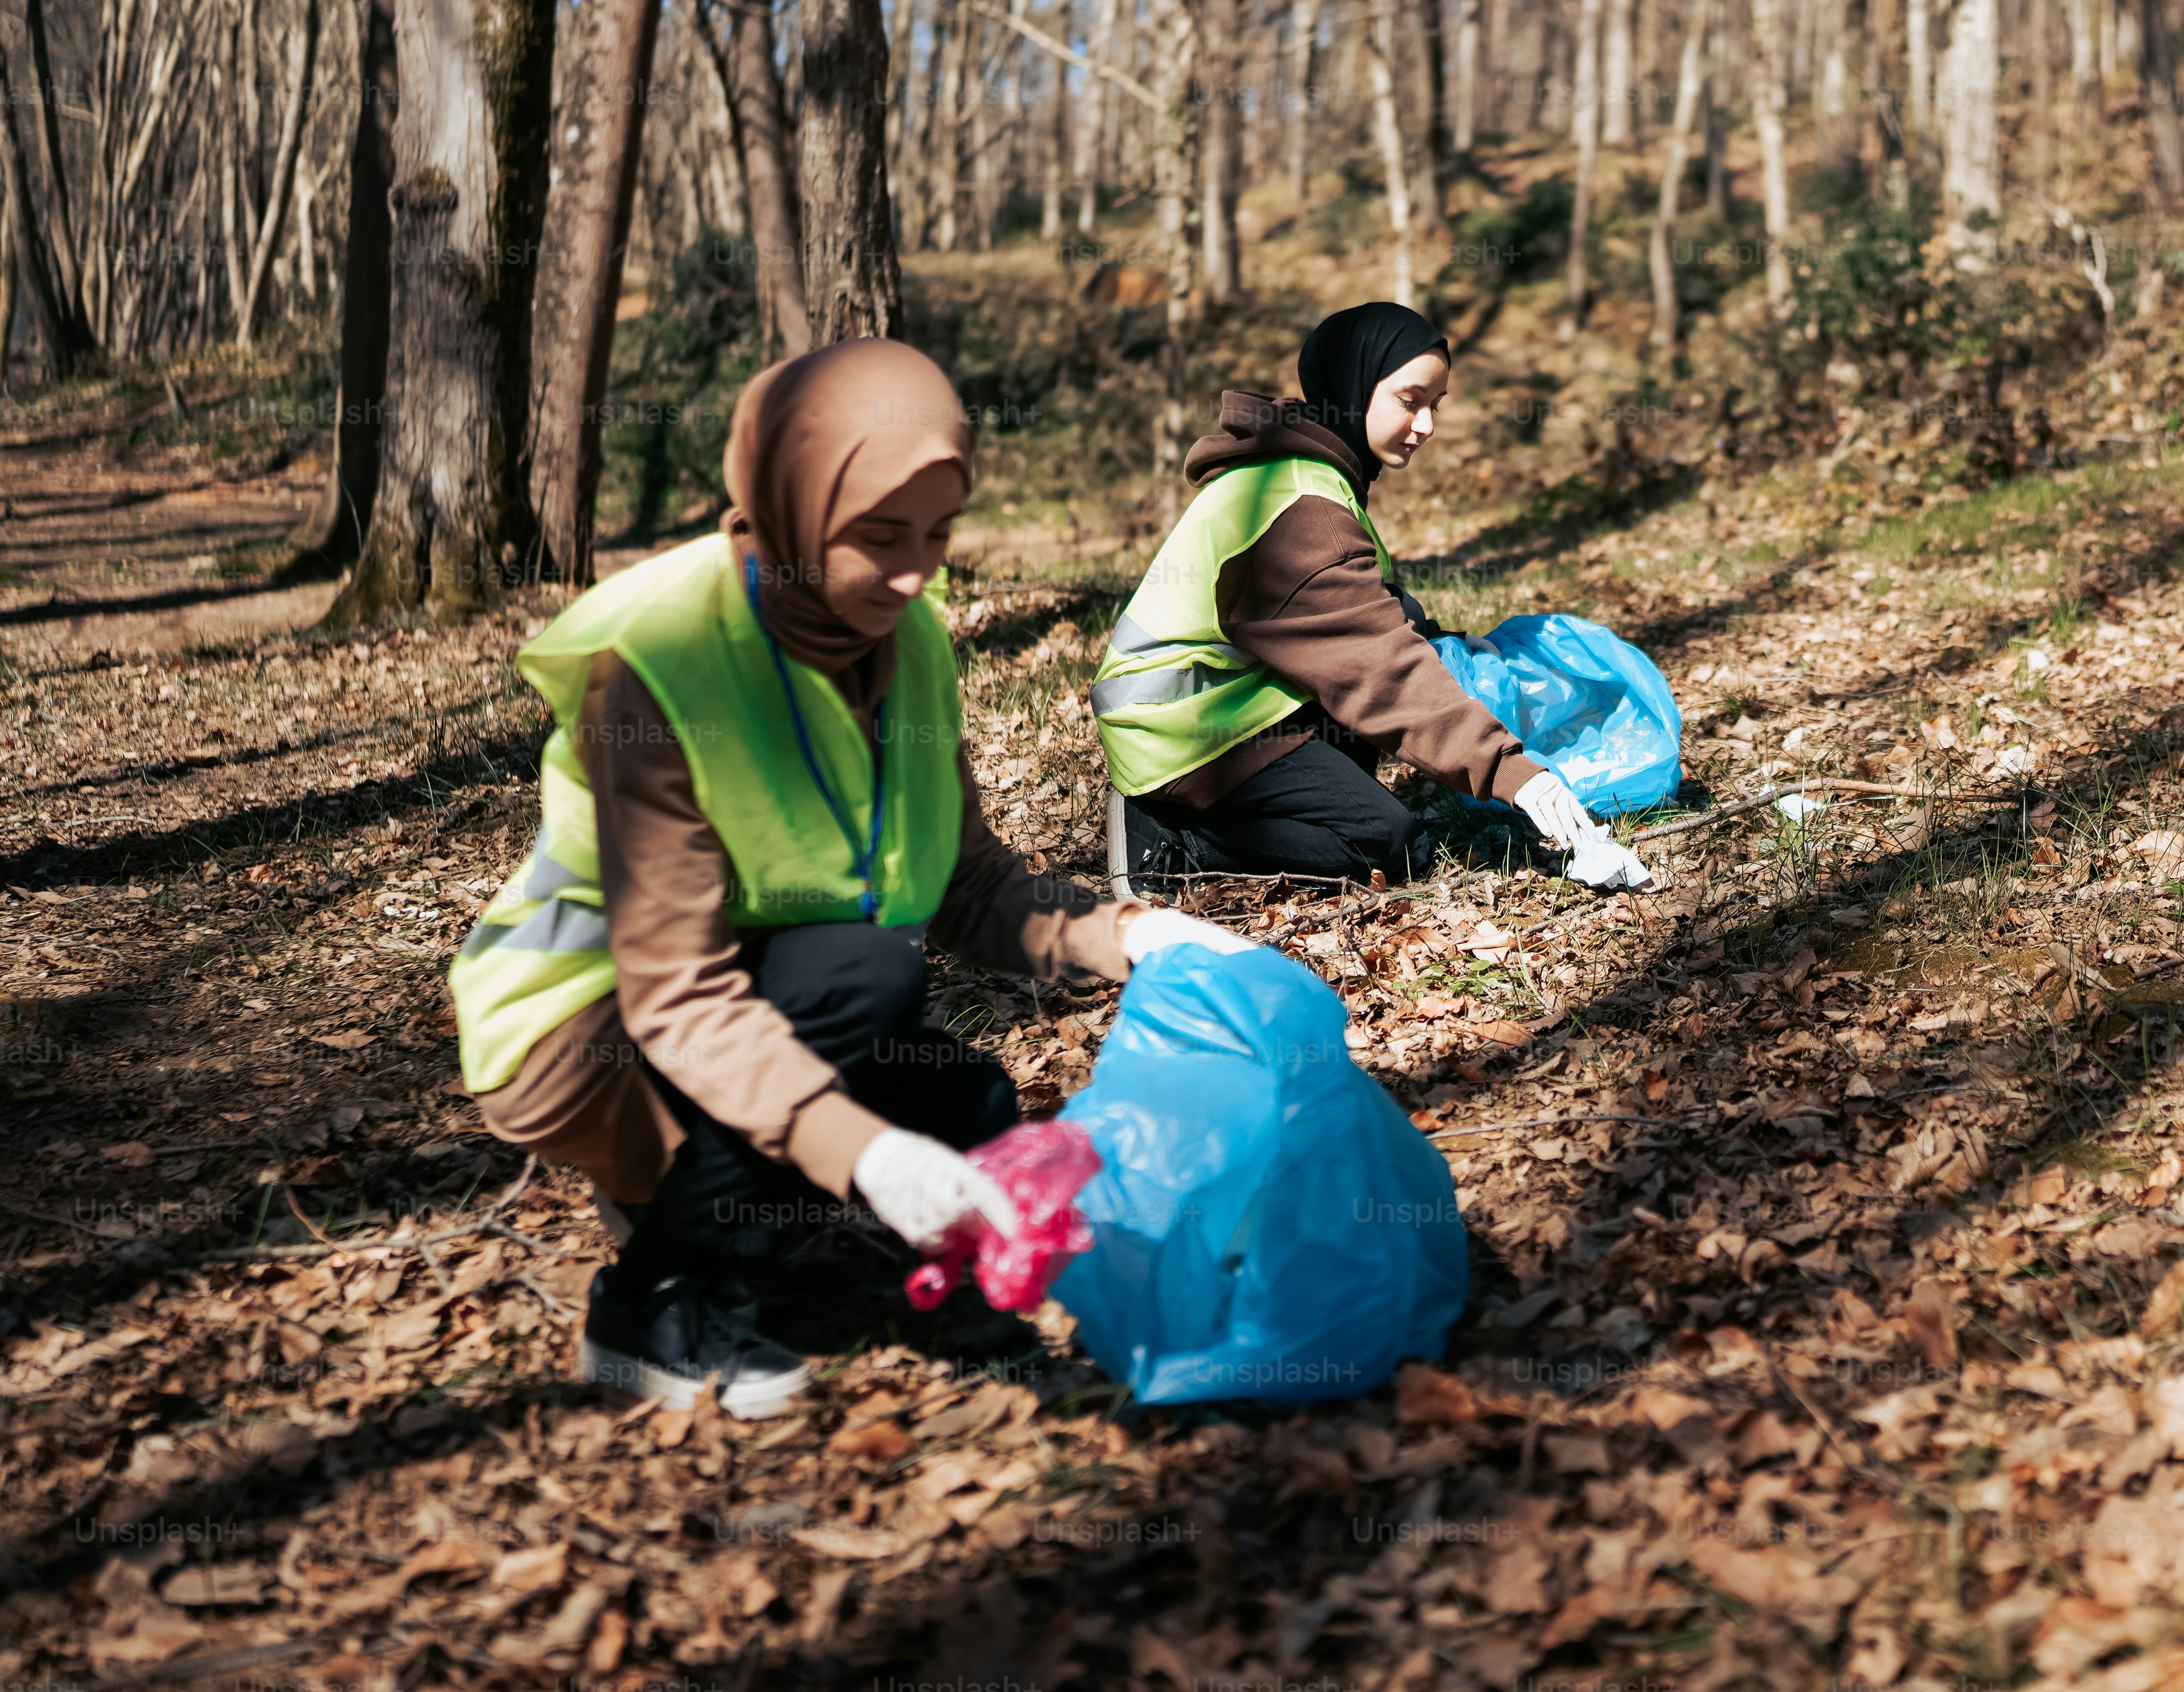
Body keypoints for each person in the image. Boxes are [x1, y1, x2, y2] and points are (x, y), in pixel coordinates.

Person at [449, 340, 1208, 1417]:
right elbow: (677, 991)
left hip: (771, 994)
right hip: (583, 1029)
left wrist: (1130, 936)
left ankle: (901, 1274)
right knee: (866, 975)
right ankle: (656, 1290)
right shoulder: (663, 657)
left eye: (938, 536)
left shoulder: (913, 642)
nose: (914, 573)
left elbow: (965, 882)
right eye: (878, 537)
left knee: (974, 1098)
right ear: (787, 508)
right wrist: (865, 1153)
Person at [1096, 301, 1650, 892]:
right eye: (1411, 401)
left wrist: (1449, 646)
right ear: (1354, 386)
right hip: (1182, 734)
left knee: (1406, 628)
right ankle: (1172, 837)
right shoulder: (1304, 508)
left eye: (1435, 406)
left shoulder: (1309, 474)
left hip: (1229, 708)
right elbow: (1382, 671)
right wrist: (1512, 772)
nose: (1428, 425)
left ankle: (1254, 803)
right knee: (1379, 843)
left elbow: (1372, 615)